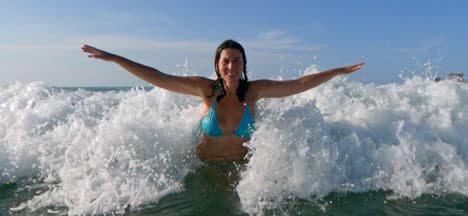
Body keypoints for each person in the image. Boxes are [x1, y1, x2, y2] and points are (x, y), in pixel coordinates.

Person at [82, 40, 363, 162]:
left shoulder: (254, 91)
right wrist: (115, 58)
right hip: (205, 167)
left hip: (240, 169)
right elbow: (158, 77)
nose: (231, 65)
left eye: (236, 60)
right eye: (226, 61)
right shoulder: (205, 90)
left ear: (243, 64)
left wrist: (337, 71)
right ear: (217, 65)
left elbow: (298, 85)